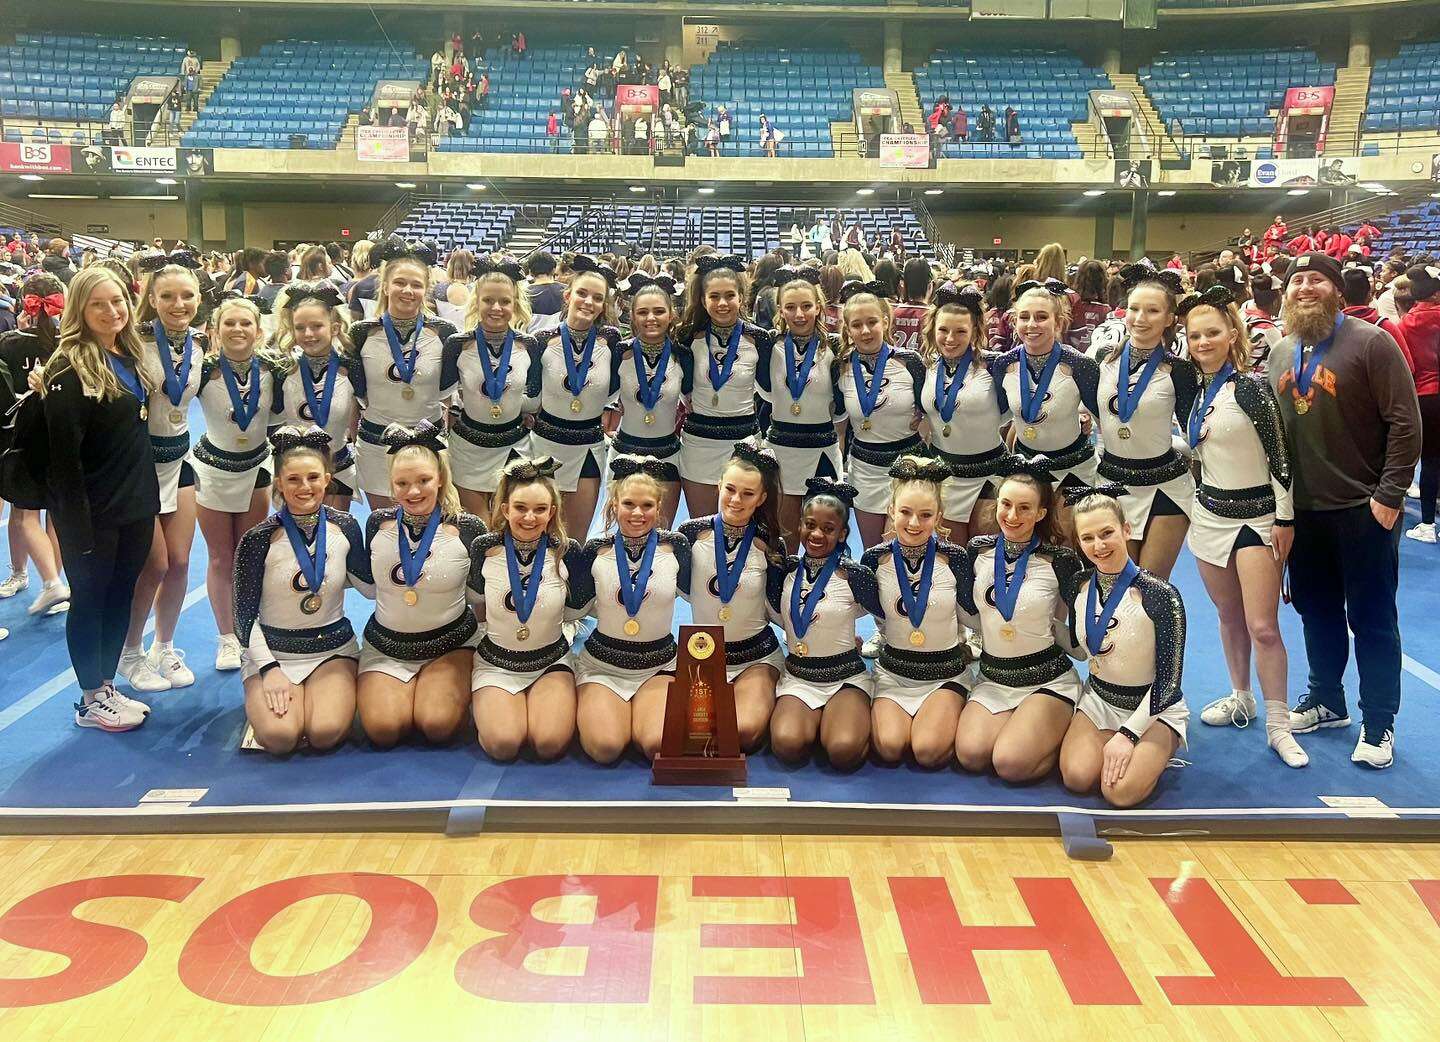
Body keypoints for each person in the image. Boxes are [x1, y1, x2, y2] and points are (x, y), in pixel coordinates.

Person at [1269, 254, 1421, 768]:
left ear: (1336, 290)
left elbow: (1407, 422)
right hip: (1304, 511)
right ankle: (1326, 699)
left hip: (1363, 507)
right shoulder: (1281, 350)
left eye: (1316, 279)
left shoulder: (1372, 342)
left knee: (1374, 619)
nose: (1305, 287)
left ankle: (1379, 722)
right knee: (1316, 610)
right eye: (1296, 280)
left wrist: (1390, 495)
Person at [1180, 286, 1306, 767]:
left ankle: (1278, 724)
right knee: (1229, 617)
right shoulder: (1196, 392)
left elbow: (1280, 457)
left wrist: (1284, 518)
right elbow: (1206, 448)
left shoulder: (1251, 388)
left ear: (1233, 333)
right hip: (1208, 516)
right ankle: (1241, 696)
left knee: (1263, 626)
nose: (1204, 342)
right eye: (1195, 335)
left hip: (1256, 520)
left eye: (1213, 332)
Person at [40, 267, 160, 731]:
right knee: (89, 598)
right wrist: (75, 526)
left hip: (134, 503)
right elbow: (63, 460)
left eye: (117, 301)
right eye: (98, 304)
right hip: (92, 510)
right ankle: (90, 698)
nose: (112, 311)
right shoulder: (69, 368)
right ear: (80, 311)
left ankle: (106, 685)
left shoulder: (129, 356)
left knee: (120, 596)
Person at [235, 428, 372, 754]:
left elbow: (370, 588)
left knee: (324, 733)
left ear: (327, 480)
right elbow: (243, 619)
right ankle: (269, 703)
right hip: (275, 653)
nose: (305, 487)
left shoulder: (346, 527)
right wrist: (268, 670)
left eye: (313, 477)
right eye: (293, 479)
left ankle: (319, 699)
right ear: (279, 484)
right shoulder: (258, 539)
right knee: (281, 739)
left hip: (332, 650)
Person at [1058, 487, 1188, 807]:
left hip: (1154, 705)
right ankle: (1117, 745)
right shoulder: (1079, 585)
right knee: (1077, 777)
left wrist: (1130, 734)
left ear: (1126, 530)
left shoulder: (1161, 594)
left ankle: (1159, 749)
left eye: (1107, 533)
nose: (1099, 546)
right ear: (1078, 542)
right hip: (1100, 699)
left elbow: (1170, 684)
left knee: (1120, 793)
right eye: (1088, 538)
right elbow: (1080, 647)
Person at [357, 421, 484, 746]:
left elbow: (482, 595)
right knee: (383, 731)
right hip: (387, 646)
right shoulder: (377, 524)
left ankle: (440, 689)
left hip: (450, 645)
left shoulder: (468, 527)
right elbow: (368, 585)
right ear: (391, 484)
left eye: (424, 480)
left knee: (437, 725)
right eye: (403, 483)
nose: (413, 492)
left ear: (440, 478)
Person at [956, 461, 1084, 781]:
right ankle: (1025, 730)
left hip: (1046, 680)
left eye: (1024, 508)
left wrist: (1048, 629)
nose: (1012, 516)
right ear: (996, 504)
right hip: (993, 678)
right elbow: (969, 610)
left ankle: (1059, 731)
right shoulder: (977, 551)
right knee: (971, 756)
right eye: (1006, 505)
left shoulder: (1060, 560)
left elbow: (1082, 638)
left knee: (1010, 764)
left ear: (1041, 513)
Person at [114, 253, 207, 694]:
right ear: (150, 298)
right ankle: (130, 652)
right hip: (140, 468)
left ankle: (163, 647)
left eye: (187, 295)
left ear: (198, 298)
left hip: (180, 461)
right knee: (153, 565)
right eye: (167, 295)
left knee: (182, 562)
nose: (178, 303)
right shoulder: (131, 344)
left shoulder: (199, 346)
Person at [572, 455, 690, 763]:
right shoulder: (594, 551)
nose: (638, 513)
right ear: (613, 505)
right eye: (628, 504)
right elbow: (572, 610)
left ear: (659, 508)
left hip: (659, 667)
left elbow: (711, 599)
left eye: (647, 505)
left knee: (657, 745)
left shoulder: (676, 547)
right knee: (606, 747)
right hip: (603, 667)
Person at [862, 456, 976, 767]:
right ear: (891, 511)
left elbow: (975, 614)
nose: (914, 523)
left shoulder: (955, 558)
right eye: (906, 513)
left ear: (939, 516)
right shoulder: (874, 560)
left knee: (926, 751)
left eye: (925, 515)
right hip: (894, 673)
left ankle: (954, 713)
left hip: (945, 673)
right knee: (889, 748)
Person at [468, 457, 581, 761]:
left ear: (552, 512)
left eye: (540, 509)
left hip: (550, 662)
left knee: (549, 744)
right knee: (503, 745)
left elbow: (579, 608)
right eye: (520, 508)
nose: (529, 518)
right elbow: (473, 600)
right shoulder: (484, 547)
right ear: (504, 509)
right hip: (497, 663)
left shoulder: (567, 551)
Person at [192, 296, 282, 671]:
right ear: (215, 331)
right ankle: (227, 638)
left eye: (245, 323)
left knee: (248, 556)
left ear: (258, 331)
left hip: (256, 469)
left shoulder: (275, 370)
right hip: (212, 469)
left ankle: (250, 630)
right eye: (229, 323)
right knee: (220, 557)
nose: (237, 330)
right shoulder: (201, 370)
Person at [680, 441, 786, 751]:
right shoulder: (689, 535)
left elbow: (783, 608)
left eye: (748, 494)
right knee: (692, 729)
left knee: (743, 732)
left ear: (761, 498)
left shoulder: (769, 544)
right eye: (730, 489)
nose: (736, 500)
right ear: (718, 486)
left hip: (756, 656)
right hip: (703, 654)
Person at [1093, 266, 1196, 579]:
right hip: (1111, 482)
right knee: (1117, 584)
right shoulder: (1102, 360)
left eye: (1153, 311)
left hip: (1166, 487)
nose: (1140, 318)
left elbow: (1198, 430)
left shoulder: (1179, 371)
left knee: (1150, 586)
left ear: (1169, 318)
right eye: (1134, 309)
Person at [767, 478, 874, 767]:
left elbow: (891, 616)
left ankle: (851, 721)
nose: (816, 534)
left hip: (845, 678)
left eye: (828, 529)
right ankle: (818, 722)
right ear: (799, 525)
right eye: (809, 525)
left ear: (842, 534)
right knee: (787, 746)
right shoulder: (785, 570)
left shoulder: (855, 575)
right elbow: (774, 613)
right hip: (799, 678)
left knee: (843, 752)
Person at [349, 237, 454, 510]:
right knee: (384, 527)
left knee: (427, 529)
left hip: (428, 446)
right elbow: (354, 392)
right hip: (376, 445)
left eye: (416, 285)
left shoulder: (444, 332)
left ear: (426, 289)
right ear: (385, 286)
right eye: (399, 283)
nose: (407, 290)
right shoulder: (362, 332)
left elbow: (448, 394)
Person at [994, 280, 1101, 544]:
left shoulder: (1080, 364)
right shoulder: (1003, 364)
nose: (1032, 325)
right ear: (1014, 320)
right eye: (1024, 317)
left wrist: (1083, 414)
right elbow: (995, 416)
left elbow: (1103, 416)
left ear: (1058, 321)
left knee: (1066, 545)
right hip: (1026, 467)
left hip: (1073, 467)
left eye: (1041, 317)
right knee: (1026, 544)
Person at [528, 255, 622, 539]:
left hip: (588, 451)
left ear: (603, 304)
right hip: (544, 446)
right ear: (568, 295)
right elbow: (530, 394)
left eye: (597, 297)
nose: (588, 302)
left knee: (575, 541)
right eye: (582, 293)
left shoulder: (612, 340)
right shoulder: (540, 339)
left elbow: (616, 388)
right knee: (538, 535)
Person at [676, 255, 773, 519]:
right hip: (698, 444)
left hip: (743, 444)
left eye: (729, 295)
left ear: (742, 297)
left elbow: (771, 392)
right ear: (702, 299)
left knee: (743, 528)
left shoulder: (759, 338)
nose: (722, 303)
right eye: (714, 296)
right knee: (703, 527)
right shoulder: (686, 336)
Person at [442, 258, 536, 519]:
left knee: (509, 528)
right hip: (467, 449)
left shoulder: (529, 345)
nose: (496, 308)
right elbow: (440, 395)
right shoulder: (457, 345)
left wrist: (520, 408)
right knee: (477, 529)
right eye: (488, 301)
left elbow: (536, 396)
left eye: (505, 301)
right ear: (476, 302)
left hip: (515, 448)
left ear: (515, 304)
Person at [0, 273, 70, 615]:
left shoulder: (9, 343)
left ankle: (27, 575)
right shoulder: (70, 342)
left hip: (21, 438)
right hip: (59, 437)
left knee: (22, 511)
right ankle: (52, 578)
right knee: (54, 515)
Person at [837, 282, 926, 548]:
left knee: (904, 547)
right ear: (848, 329)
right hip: (864, 468)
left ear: (885, 322)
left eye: (872, 322)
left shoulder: (910, 362)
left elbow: (931, 410)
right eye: (856, 324)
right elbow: (840, 429)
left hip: (907, 468)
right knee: (872, 550)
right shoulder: (840, 366)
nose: (865, 331)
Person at [765, 266, 842, 538]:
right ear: (780, 309)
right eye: (791, 307)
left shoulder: (837, 348)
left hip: (823, 452)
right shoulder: (769, 346)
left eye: (807, 306)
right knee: (783, 537)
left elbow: (842, 413)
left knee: (821, 537)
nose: (799, 314)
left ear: (819, 307)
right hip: (781, 450)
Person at [272, 281, 362, 509]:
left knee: (334, 536)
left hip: (338, 466)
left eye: (316, 326)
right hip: (295, 469)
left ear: (334, 327)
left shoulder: (351, 368)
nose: (308, 334)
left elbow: (364, 413)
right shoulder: (283, 369)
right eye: (300, 328)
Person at [611, 273, 685, 525]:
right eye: (642, 312)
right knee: (625, 530)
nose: (651, 318)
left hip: (668, 455)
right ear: (631, 316)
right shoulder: (619, 352)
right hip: (624, 451)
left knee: (662, 534)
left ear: (671, 315)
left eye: (658, 311)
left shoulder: (683, 355)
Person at [1401, 264, 1440, 544]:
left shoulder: (1405, 324)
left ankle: (1427, 524)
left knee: (1430, 461)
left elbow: (1407, 366)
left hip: (1425, 397)